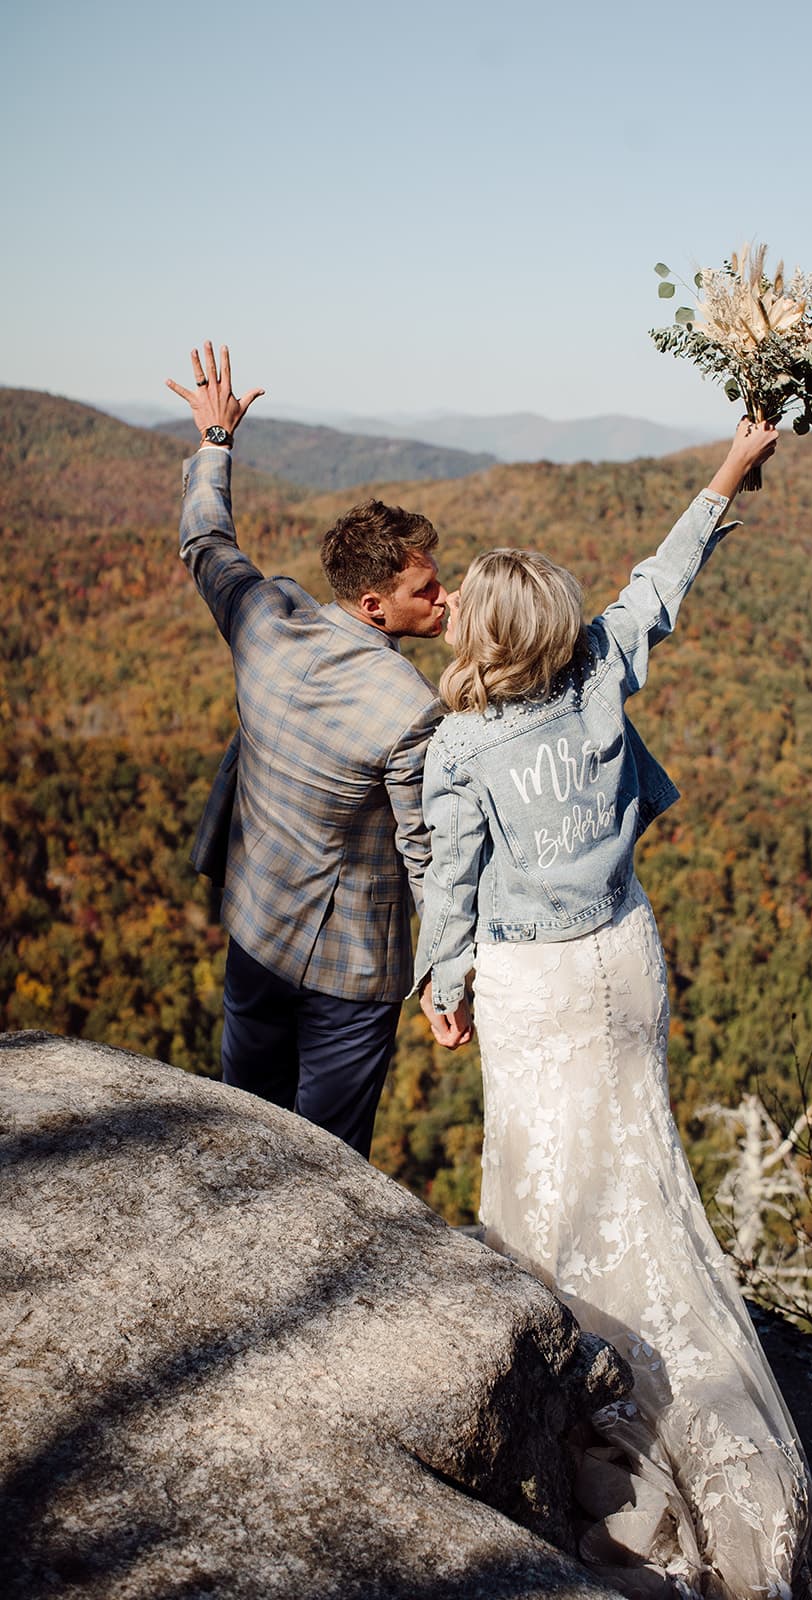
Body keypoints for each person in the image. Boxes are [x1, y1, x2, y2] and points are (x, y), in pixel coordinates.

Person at [415, 418, 812, 1599]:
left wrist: (444, 988)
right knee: (638, 1173)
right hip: (626, 960)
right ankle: (699, 1412)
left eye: (465, 603)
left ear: (486, 636)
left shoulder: (458, 745)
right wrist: (728, 471)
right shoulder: (596, 668)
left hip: (536, 983)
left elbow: (449, 881)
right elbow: (660, 582)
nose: (451, 609)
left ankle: (576, 1396)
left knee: (545, 1185)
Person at [167, 342, 470, 1158]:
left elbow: (205, 542)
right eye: (425, 591)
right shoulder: (410, 708)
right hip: (350, 972)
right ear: (373, 604)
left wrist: (215, 444)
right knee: (326, 1162)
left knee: (244, 1135)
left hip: (255, 931)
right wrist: (442, 975)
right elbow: (423, 853)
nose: (443, 597)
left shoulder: (263, 623)